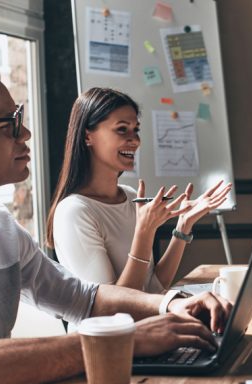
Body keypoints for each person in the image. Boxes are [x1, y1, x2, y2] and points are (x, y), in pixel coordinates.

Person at [0, 63, 231, 384]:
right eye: (8, 124)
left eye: (20, 118)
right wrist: (126, 339)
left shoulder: (2, 227)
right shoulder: (71, 211)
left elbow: (85, 298)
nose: (24, 132)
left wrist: (172, 303)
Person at [46, 88, 231, 294]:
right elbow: (112, 307)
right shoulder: (74, 212)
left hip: (147, 324)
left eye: (136, 130)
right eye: (122, 129)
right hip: (111, 326)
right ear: (88, 136)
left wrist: (183, 225)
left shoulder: (132, 197)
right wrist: (144, 233)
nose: (135, 140)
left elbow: (152, 287)